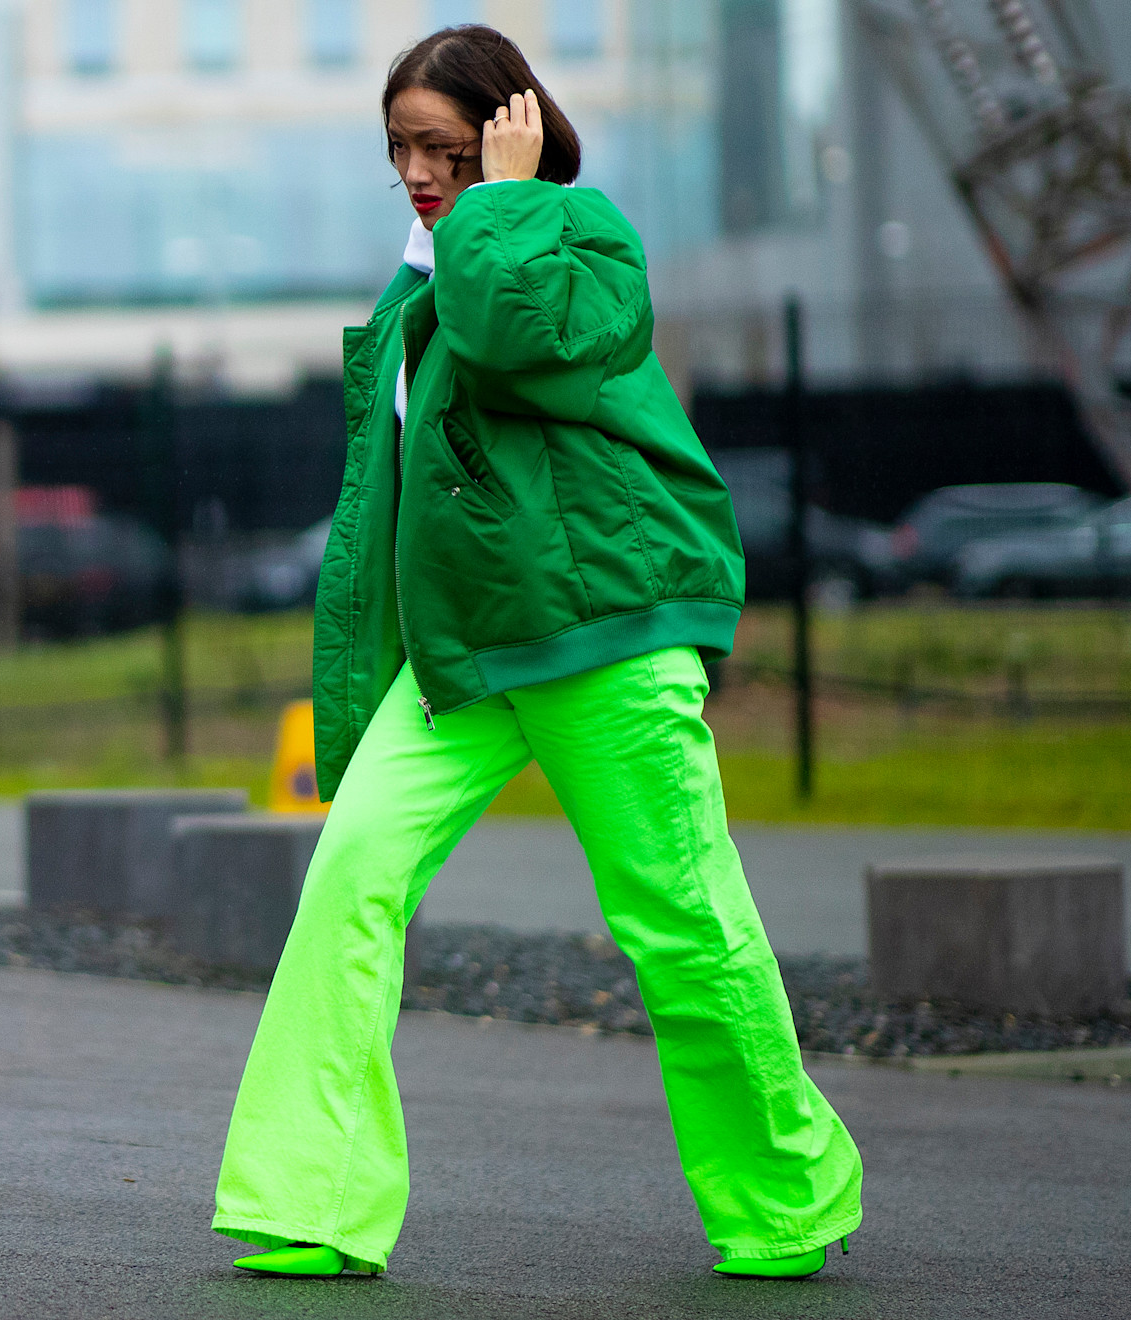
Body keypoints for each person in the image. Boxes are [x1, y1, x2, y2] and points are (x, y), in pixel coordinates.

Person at [212, 24, 863, 1282]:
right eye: (399, 146)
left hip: (604, 632)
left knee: (677, 915)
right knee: (351, 873)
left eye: (443, 146)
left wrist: (502, 201)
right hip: (468, 656)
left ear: (510, 130)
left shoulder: (575, 235)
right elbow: (389, 498)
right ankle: (313, 1199)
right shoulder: (418, 280)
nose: (416, 171)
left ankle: (785, 1197)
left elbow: (523, 344)